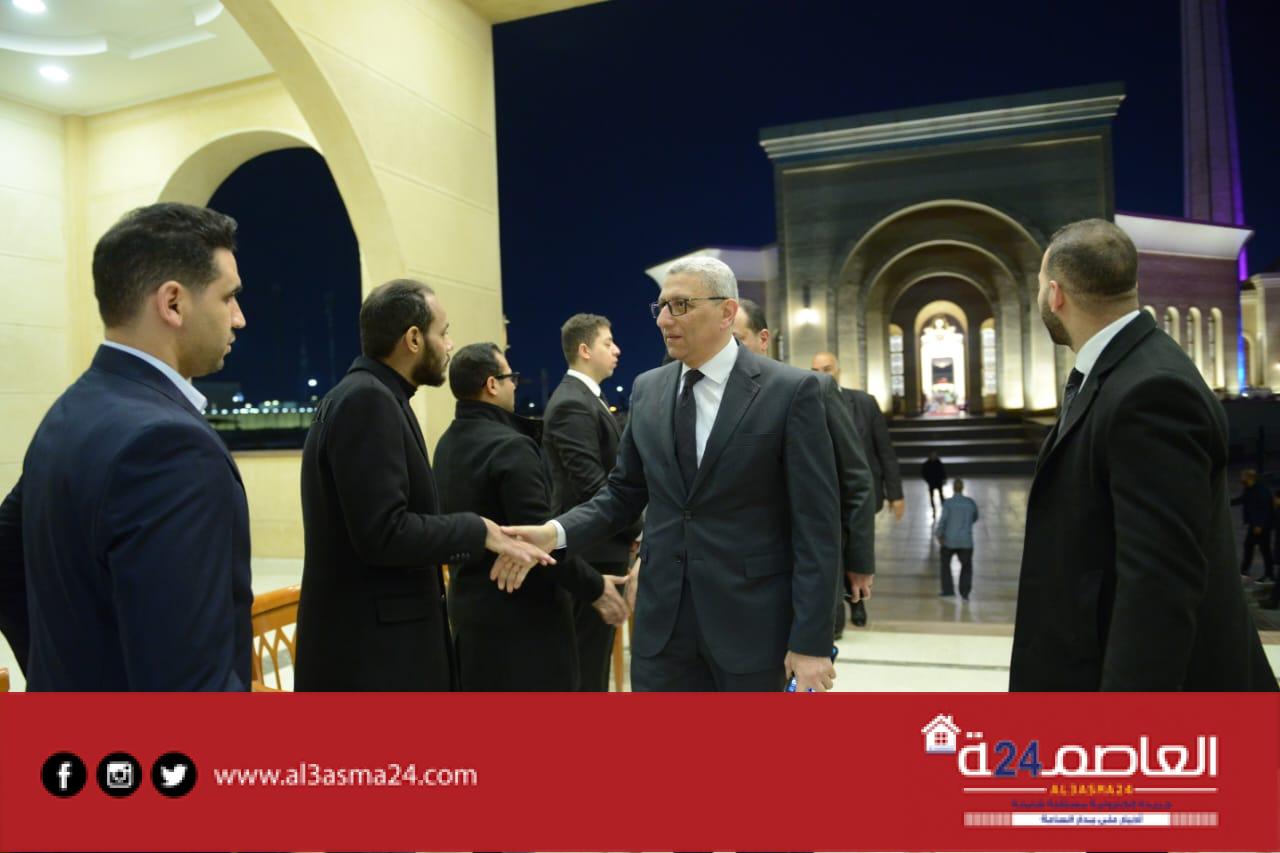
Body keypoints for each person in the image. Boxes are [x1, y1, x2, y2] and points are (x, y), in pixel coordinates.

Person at [504, 257, 841, 692]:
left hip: (752, 628)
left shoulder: (791, 391)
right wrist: (554, 533)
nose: (664, 319)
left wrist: (811, 641)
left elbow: (817, 525)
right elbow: (622, 493)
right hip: (662, 632)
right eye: (661, 306)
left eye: (680, 305)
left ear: (726, 311)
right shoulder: (649, 389)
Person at [1011, 218, 1276, 691]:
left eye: (1039, 287)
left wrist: (1128, 724)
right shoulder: (1125, 370)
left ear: (1055, 294)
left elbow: (1159, 586)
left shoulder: (1151, 392)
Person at [0, 202, 252, 690]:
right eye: (229, 297)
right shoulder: (171, 446)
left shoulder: (69, 412)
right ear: (173, 303)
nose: (238, 319)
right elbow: (189, 688)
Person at [294, 279, 552, 692]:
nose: (449, 345)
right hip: (375, 661)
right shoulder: (368, 400)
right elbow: (384, 532)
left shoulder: (373, 395)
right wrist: (478, 530)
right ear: (414, 339)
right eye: (443, 332)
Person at [433, 343, 627, 690]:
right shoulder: (510, 446)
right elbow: (541, 541)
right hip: (524, 624)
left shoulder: (447, 444)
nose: (515, 385)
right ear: (492, 384)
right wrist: (596, 587)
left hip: (469, 613)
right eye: (511, 377)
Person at [732, 298, 875, 640]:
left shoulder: (811, 389)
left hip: (805, 569)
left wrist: (858, 562)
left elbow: (856, 480)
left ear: (763, 340)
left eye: (738, 340)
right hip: (741, 579)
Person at [542, 314, 641, 690]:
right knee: (585, 669)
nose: (617, 350)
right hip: (589, 554)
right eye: (607, 343)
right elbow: (591, 487)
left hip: (601, 548)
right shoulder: (572, 403)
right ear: (584, 350)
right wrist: (636, 529)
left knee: (594, 666)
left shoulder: (588, 398)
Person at [811, 350, 905, 627]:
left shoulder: (863, 402)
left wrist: (895, 493)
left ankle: (858, 599)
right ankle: (844, 606)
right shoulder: (807, 402)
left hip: (860, 492)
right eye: (816, 371)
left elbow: (884, 450)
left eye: (827, 369)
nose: (822, 376)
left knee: (858, 546)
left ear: (838, 370)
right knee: (834, 551)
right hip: (827, 495)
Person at [935, 479, 979, 599]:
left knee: (945, 565)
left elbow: (943, 521)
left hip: (949, 540)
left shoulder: (948, 503)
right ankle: (965, 592)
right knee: (966, 566)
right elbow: (975, 517)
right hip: (966, 541)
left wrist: (939, 534)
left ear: (953, 488)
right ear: (962, 487)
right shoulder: (970, 503)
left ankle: (948, 590)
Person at [1232, 469, 1275, 580]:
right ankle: (1244, 570)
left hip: (1262, 526)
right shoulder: (1249, 488)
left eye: (1243, 476)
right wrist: (1228, 502)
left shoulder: (1260, 491)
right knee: (1249, 546)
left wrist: (1259, 525)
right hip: (1255, 524)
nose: (1241, 478)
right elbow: (1243, 499)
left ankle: (1269, 574)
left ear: (1250, 478)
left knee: (1264, 549)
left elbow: (1265, 509)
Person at [922, 452, 947, 516]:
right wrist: (928, 480)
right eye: (933, 455)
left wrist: (944, 479)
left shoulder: (939, 463)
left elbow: (943, 471)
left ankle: (944, 508)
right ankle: (933, 509)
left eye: (935, 455)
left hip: (938, 482)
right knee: (932, 497)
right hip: (931, 483)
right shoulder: (927, 464)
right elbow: (924, 473)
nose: (934, 456)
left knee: (941, 495)